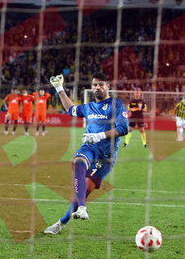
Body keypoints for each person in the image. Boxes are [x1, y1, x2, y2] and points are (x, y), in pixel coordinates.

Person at [44, 72, 128, 234]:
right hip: (90, 148)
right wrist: (59, 88)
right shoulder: (89, 107)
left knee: (84, 190)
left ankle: (61, 223)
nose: (98, 87)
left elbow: (123, 128)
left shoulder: (116, 104)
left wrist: (99, 135)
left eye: (101, 84)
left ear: (107, 87)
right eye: (95, 85)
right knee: (78, 163)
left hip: (106, 157)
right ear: (91, 87)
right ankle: (82, 208)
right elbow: (71, 109)